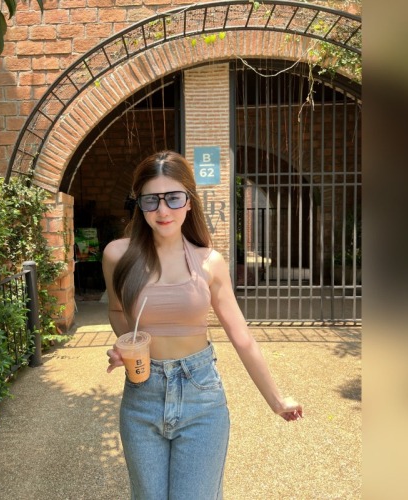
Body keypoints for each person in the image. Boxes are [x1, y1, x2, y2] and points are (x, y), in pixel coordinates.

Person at [103, 150, 302, 500]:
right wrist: (126, 344)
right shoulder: (118, 256)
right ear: (139, 204)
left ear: (189, 201)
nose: (163, 210)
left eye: (173, 198)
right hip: (142, 395)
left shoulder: (209, 262)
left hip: (201, 395)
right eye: (151, 200)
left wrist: (276, 400)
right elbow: (118, 311)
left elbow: (241, 337)